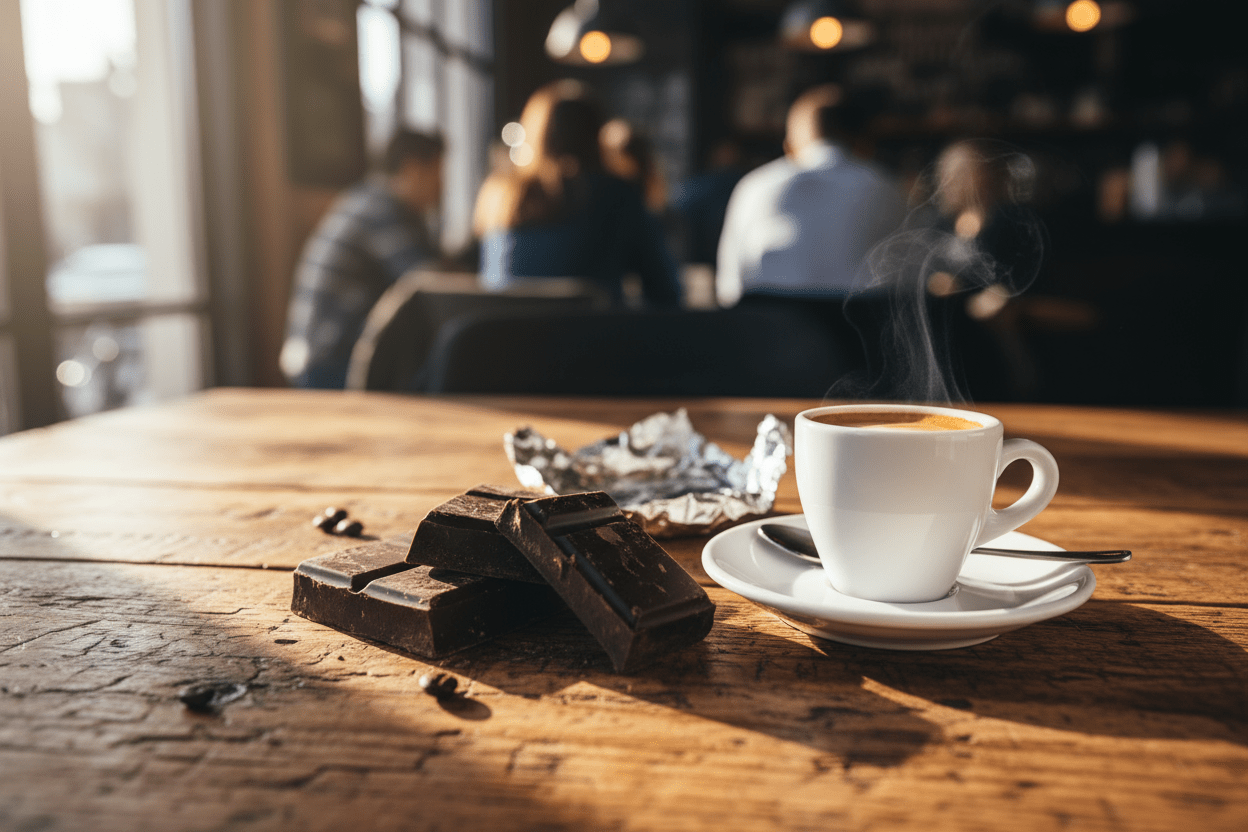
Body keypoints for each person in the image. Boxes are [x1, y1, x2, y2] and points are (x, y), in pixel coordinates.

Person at [473, 80, 682, 307]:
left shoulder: (499, 195)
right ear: (597, 135)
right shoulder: (616, 196)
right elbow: (666, 292)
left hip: (502, 338)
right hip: (588, 339)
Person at [281, 130, 444, 389]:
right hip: (329, 359)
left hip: (315, 352)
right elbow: (431, 283)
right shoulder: (383, 210)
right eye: (438, 172)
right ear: (412, 168)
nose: (442, 185)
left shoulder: (366, 198)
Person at [715, 85, 904, 307]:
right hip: (855, 335)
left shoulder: (754, 186)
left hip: (772, 334)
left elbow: (729, 287)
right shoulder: (885, 188)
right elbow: (908, 284)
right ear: (864, 143)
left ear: (790, 145)